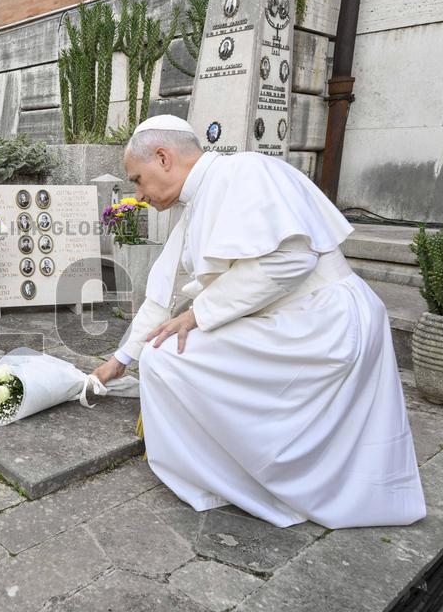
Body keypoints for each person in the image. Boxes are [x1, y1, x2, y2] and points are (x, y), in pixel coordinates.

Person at [91, 115, 425, 530]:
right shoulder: (198, 201)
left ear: (163, 157)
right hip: (296, 319)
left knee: (168, 359)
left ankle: (228, 476)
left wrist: (198, 315)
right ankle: (232, 467)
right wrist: (120, 360)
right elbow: (162, 297)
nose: (138, 195)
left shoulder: (244, 171)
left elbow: (291, 258)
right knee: (165, 354)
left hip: (323, 322)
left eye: (137, 180)